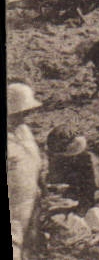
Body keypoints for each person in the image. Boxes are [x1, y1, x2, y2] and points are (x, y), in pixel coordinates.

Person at [42, 127, 99, 250]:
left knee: (94, 215)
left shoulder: (87, 161)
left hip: (82, 202)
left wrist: (79, 209)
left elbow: (91, 192)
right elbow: (53, 180)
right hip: (65, 200)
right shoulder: (57, 159)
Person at [9, 83, 45, 260]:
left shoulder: (24, 132)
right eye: (19, 113)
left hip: (31, 200)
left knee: (30, 246)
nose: (25, 116)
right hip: (14, 206)